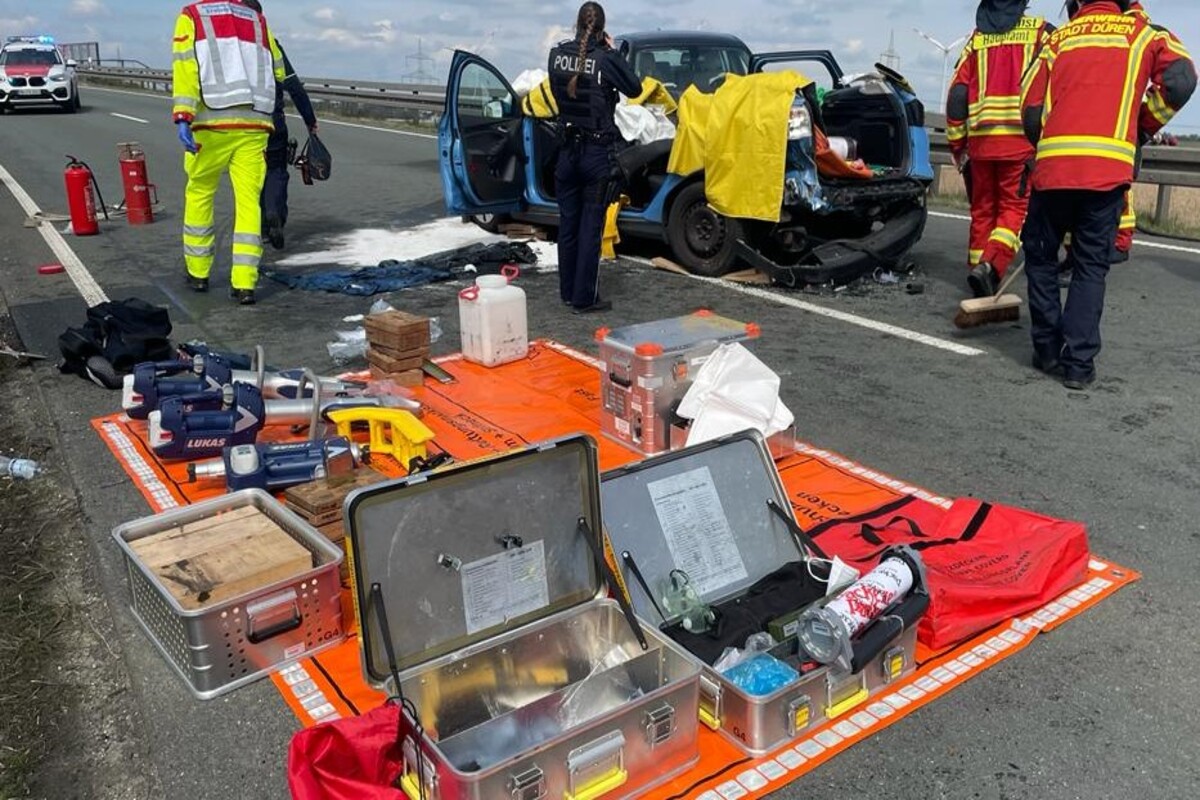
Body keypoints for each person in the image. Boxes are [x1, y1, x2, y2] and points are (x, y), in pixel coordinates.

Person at [1019, 0, 1195, 389]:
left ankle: (1046, 350)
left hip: (1054, 172)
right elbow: (1182, 78)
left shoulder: (1057, 39)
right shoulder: (1145, 33)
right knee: (1089, 266)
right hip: (1107, 174)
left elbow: (1030, 109)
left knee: (1041, 258)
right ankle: (1079, 366)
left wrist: (1044, 146)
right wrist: (1141, 126)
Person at [172, 0, 286, 305]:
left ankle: (198, 274)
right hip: (254, 124)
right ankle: (245, 283)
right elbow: (278, 68)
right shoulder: (258, 20)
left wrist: (183, 115)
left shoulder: (193, 15)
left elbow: (186, 66)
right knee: (249, 203)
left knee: (200, 193)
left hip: (210, 121)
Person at [946, 0, 1052, 298]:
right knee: (1013, 211)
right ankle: (990, 268)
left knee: (982, 211)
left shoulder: (977, 39)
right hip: (1019, 144)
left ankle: (976, 272)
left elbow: (957, 97)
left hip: (980, 144)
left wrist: (958, 146)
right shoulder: (1041, 34)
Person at [546, 1, 642, 313]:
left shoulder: (557, 54)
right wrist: (612, 51)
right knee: (590, 227)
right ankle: (584, 297)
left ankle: (565, 291)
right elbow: (635, 88)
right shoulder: (604, 59)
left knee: (568, 224)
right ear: (602, 28)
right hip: (595, 153)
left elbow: (559, 91)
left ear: (576, 24)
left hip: (566, 152)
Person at [243, 0, 317, 251]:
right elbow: (293, 85)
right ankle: (274, 214)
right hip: (272, 121)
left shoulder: (227, 46)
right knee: (276, 171)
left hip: (240, 124)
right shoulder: (269, 44)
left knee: (250, 177)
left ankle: (259, 228)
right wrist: (310, 119)